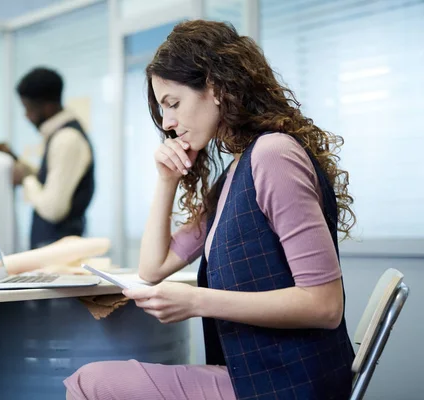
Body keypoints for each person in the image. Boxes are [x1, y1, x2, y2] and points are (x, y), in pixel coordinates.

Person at [64, 20, 356, 400]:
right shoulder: (237, 171)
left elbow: (325, 305)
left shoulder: (273, 156)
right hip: (262, 376)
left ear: (216, 88)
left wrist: (197, 302)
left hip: (287, 384)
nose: (167, 124)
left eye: (173, 103)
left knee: (91, 383)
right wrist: (166, 179)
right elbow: (153, 269)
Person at [10, 67, 95, 250]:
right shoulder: (62, 136)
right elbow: (51, 182)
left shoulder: (66, 139)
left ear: (47, 107)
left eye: (28, 108)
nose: (26, 116)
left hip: (58, 254)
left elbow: (53, 209)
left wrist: (26, 179)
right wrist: (25, 167)